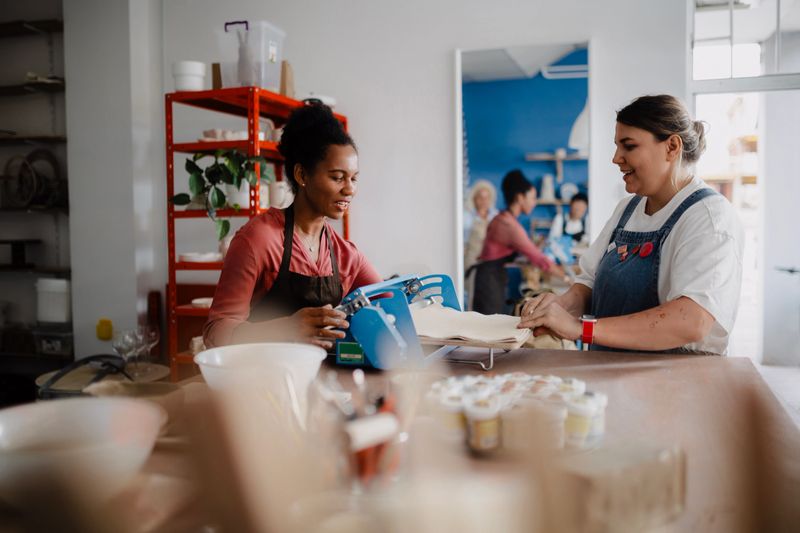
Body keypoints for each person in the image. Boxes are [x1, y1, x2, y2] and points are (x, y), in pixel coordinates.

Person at [519, 95, 743, 355]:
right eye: (617, 146)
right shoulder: (627, 209)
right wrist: (558, 306)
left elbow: (691, 320)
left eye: (629, 146)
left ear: (671, 147)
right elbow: (590, 282)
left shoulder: (709, 218)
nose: (616, 158)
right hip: (612, 375)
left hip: (675, 382)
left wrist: (582, 328)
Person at [203, 103, 382, 350]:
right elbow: (216, 332)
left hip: (320, 381)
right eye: (337, 177)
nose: (349, 189)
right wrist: (286, 329)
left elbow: (389, 300)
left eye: (353, 178)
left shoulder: (345, 254)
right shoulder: (258, 240)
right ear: (302, 175)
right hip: (258, 380)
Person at [471, 169, 564, 315]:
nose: (534, 202)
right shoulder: (508, 225)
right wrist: (567, 278)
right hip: (489, 280)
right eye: (532, 198)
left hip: (490, 276)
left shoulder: (504, 219)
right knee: (488, 327)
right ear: (520, 198)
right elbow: (538, 258)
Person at [463, 179, 499, 271]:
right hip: (472, 259)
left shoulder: (496, 216)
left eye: (486, 198)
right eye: (480, 198)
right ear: (474, 199)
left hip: (491, 260)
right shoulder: (467, 216)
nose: (483, 201)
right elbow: (464, 241)